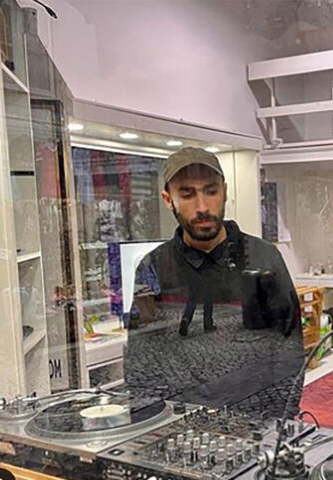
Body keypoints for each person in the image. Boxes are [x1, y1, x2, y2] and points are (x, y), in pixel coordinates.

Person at [125, 147, 303, 416]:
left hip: (255, 421)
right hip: (180, 423)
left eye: (211, 191)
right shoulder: (155, 265)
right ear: (168, 199)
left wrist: (276, 421)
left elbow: (289, 346)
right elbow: (142, 357)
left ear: (225, 191)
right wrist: (152, 422)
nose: (202, 207)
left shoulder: (263, 258)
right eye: (187, 194)